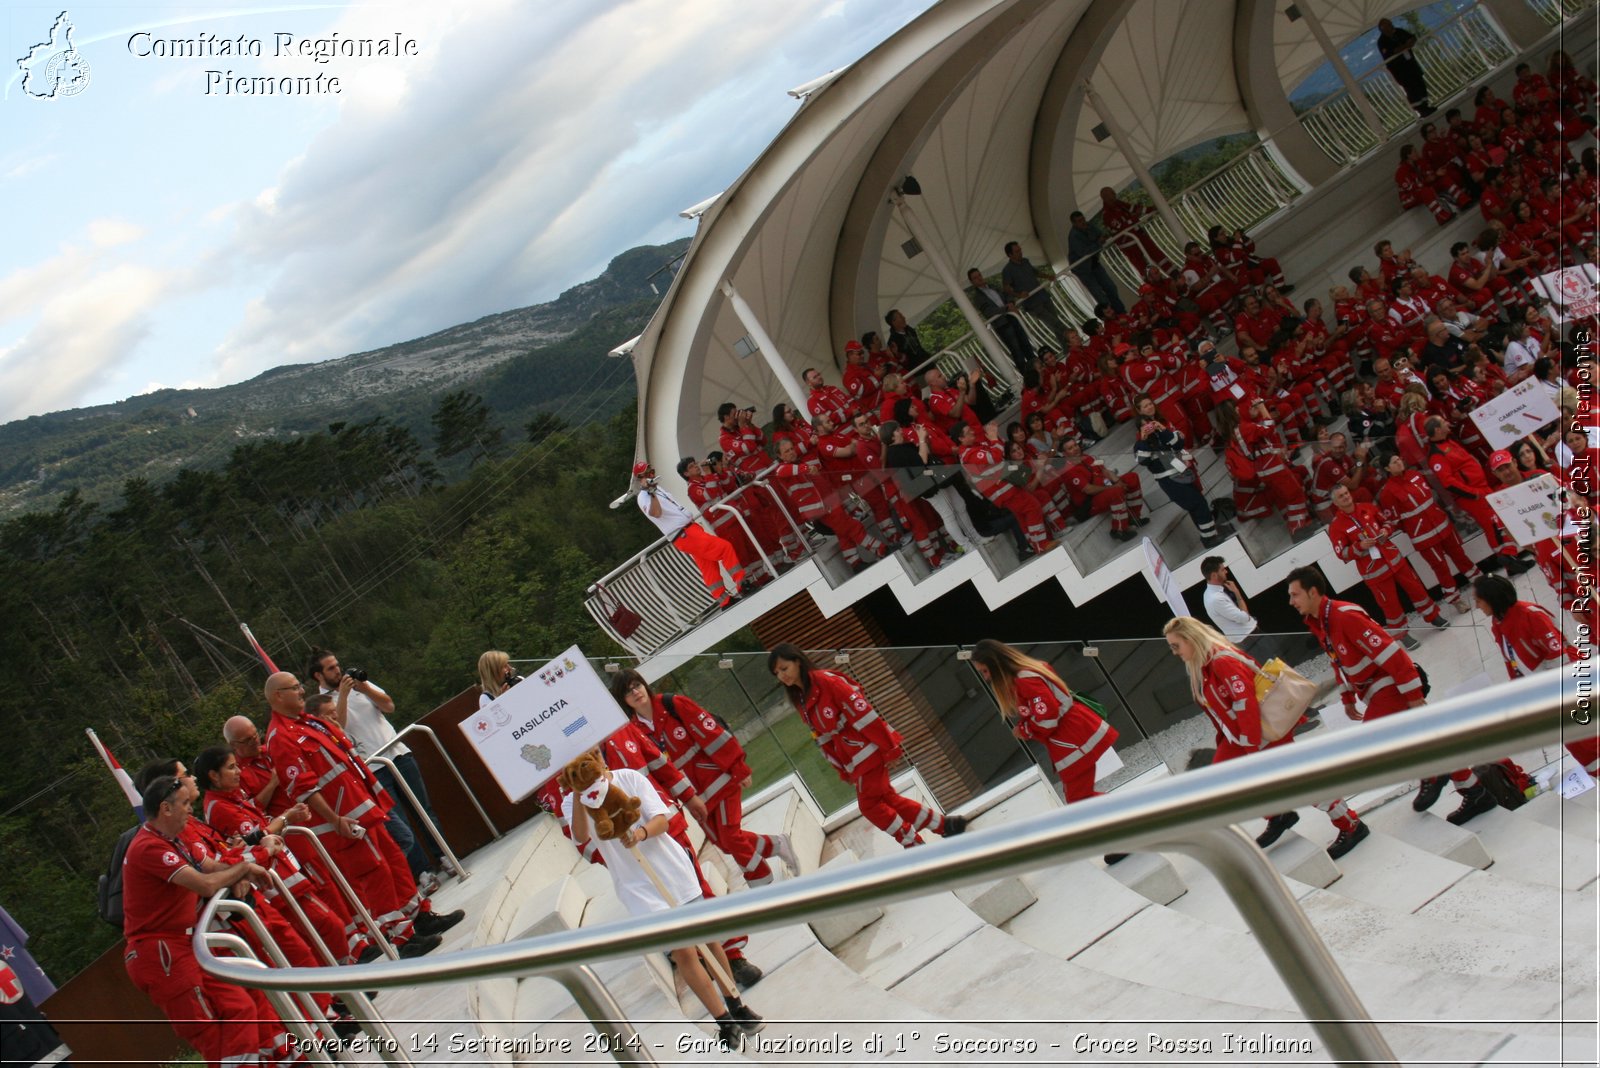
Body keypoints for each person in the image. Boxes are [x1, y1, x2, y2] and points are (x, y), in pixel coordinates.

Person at [556, 752, 766, 1053]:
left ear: (600, 758)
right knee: (684, 953)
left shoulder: (628, 777)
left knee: (708, 940)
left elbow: (662, 820)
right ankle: (724, 1021)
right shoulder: (572, 802)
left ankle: (736, 1003)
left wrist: (640, 833)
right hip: (638, 888)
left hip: (671, 871)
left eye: (591, 758)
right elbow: (579, 836)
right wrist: (578, 795)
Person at [1287, 566, 1501, 824]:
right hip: (1377, 692)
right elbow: (1337, 661)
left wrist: (1413, 697)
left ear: (1313, 592)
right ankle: (1475, 792)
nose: (1291, 602)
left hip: (1391, 689)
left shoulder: (1344, 617)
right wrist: (1346, 698)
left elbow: (1393, 655)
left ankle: (1433, 773)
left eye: (1295, 595)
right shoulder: (1321, 622)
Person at [264, 673, 458, 951]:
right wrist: (335, 820)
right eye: (293, 688)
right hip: (345, 820)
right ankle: (402, 940)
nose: (301, 691)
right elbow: (304, 789)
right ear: (277, 696)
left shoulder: (307, 722)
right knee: (376, 875)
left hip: (365, 806)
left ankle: (420, 917)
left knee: (394, 863)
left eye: (299, 686)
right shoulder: (280, 737)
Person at [1162, 617, 1369, 859]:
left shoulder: (1221, 662)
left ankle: (1350, 825)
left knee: (1300, 782)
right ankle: (1278, 813)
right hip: (1246, 736)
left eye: (1176, 646)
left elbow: (1245, 704)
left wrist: (1251, 747)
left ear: (1191, 639)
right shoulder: (1206, 665)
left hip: (1260, 734)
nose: (1174, 652)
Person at [122, 773, 291, 1068]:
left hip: (185, 943)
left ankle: (279, 1058)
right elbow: (206, 884)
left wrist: (243, 868)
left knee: (240, 1006)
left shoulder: (175, 840)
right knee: (211, 1032)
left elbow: (214, 867)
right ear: (166, 809)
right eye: (185, 803)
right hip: (161, 954)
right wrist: (245, 867)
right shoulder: (149, 847)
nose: (190, 809)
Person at [609, 669, 798, 888]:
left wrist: (738, 767)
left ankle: (764, 885)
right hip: (695, 796)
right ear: (623, 700)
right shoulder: (635, 730)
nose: (635, 692)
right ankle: (777, 844)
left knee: (730, 837)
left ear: (644, 685)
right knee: (724, 843)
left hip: (720, 780)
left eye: (637, 685)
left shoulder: (673, 704)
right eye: (627, 691)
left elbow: (712, 733)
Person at [767, 643, 967, 847]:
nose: (782, 676)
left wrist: (889, 748)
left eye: (784, 668)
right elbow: (822, 738)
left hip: (868, 750)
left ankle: (912, 843)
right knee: (889, 800)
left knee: (869, 806)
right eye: (777, 673)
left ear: (798, 661)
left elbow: (864, 714)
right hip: (853, 757)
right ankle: (946, 826)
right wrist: (842, 769)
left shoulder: (828, 681)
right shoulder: (801, 699)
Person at [309, 649, 441, 884]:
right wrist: (343, 696)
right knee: (400, 822)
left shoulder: (359, 684)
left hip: (398, 753)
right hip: (372, 766)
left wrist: (365, 688)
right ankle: (422, 872)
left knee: (424, 809)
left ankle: (443, 856)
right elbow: (337, 730)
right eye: (330, 668)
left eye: (337, 665)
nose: (338, 670)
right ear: (318, 676)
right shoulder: (322, 704)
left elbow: (389, 706)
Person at [1474, 575, 1598, 777]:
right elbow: (1512, 661)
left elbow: (1559, 656)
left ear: (1492, 599)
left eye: (1479, 600)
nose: (1477, 606)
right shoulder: (1498, 623)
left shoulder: (1531, 615)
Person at [968, 640, 1116, 804]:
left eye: (985, 671)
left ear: (996, 664)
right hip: (1075, 735)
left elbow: (1048, 716)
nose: (986, 677)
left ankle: (1131, 811)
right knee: (1079, 798)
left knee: (1079, 801)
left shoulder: (1024, 680)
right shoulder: (1029, 671)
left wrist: (1025, 729)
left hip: (1072, 739)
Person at [1326, 484, 1451, 636]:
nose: (1346, 497)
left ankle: (1433, 616)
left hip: (1394, 560)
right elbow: (1342, 553)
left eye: (1346, 493)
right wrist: (1359, 546)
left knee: (1416, 589)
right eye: (1341, 496)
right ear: (1336, 503)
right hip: (1374, 571)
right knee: (1389, 605)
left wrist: (1385, 530)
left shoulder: (1367, 507)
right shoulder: (1336, 526)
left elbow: (1387, 522)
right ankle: (1401, 635)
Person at [633, 459, 747, 609]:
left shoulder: (656, 489)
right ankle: (742, 584)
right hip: (683, 533)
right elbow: (656, 512)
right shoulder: (643, 496)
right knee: (724, 548)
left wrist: (652, 490)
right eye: (646, 473)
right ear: (640, 479)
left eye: (651, 471)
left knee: (708, 566)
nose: (650, 474)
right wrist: (651, 492)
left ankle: (723, 600)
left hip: (689, 530)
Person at [966, 267, 1036, 371]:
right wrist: (1006, 308)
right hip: (1002, 324)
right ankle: (1027, 374)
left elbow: (1007, 295)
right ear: (972, 282)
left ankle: (1036, 368)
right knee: (1016, 349)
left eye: (979, 275)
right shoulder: (977, 298)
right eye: (975, 278)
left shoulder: (993, 286)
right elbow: (989, 312)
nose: (979, 278)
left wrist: (1011, 303)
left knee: (1025, 342)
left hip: (1012, 317)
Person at [1001, 241, 1067, 344]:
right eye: (1017, 251)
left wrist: (1047, 276)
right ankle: (1073, 337)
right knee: (1056, 324)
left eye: (1020, 250)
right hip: (1032, 303)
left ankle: (1068, 348)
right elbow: (1006, 288)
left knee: (1055, 323)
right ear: (1010, 255)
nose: (1020, 253)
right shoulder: (1007, 270)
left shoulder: (1025, 261)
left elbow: (1035, 272)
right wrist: (1019, 295)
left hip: (1043, 296)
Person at [1065, 212, 1126, 315]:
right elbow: (1083, 252)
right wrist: (1098, 243)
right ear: (1074, 224)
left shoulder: (1089, 226)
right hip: (1083, 270)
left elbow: (1100, 234)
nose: (1083, 222)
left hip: (1094, 264)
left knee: (1110, 287)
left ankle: (1121, 312)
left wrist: (1101, 238)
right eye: (1079, 221)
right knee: (1099, 295)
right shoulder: (1074, 236)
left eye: (1083, 219)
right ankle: (1112, 316)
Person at [1377, 18, 1432, 117]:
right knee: (1411, 89)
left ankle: (1426, 105)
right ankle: (1420, 109)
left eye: (1391, 24)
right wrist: (1405, 46)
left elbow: (1412, 37)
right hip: (1400, 70)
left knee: (1420, 83)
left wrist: (1410, 43)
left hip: (1410, 63)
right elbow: (1392, 52)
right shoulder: (1382, 41)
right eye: (1388, 25)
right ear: (1383, 29)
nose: (1391, 26)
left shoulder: (1398, 32)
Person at [1200, 556, 1258, 645]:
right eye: (1223, 570)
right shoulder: (1215, 599)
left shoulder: (1210, 594)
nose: (1226, 572)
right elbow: (1244, 618)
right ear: (1214, 575)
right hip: (1249, 638)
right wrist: (1237, 593)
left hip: (1249, 636)